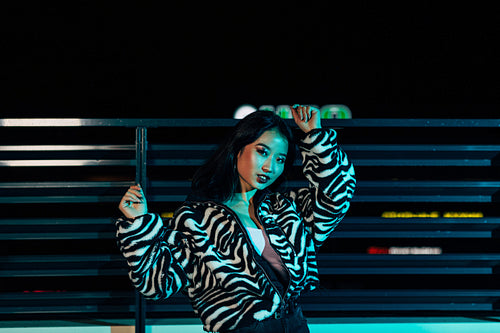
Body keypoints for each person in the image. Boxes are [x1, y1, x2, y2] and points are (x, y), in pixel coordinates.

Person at [116, 106, 356, 332]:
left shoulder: (283, 207)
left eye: (280, 159)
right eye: (262, 152)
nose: (270, 167)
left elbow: (336, 197)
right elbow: (156, 285)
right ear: (238, 148)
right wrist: (138, 227)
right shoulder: (196, 219)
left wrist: (314, 136)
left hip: (296, 325)